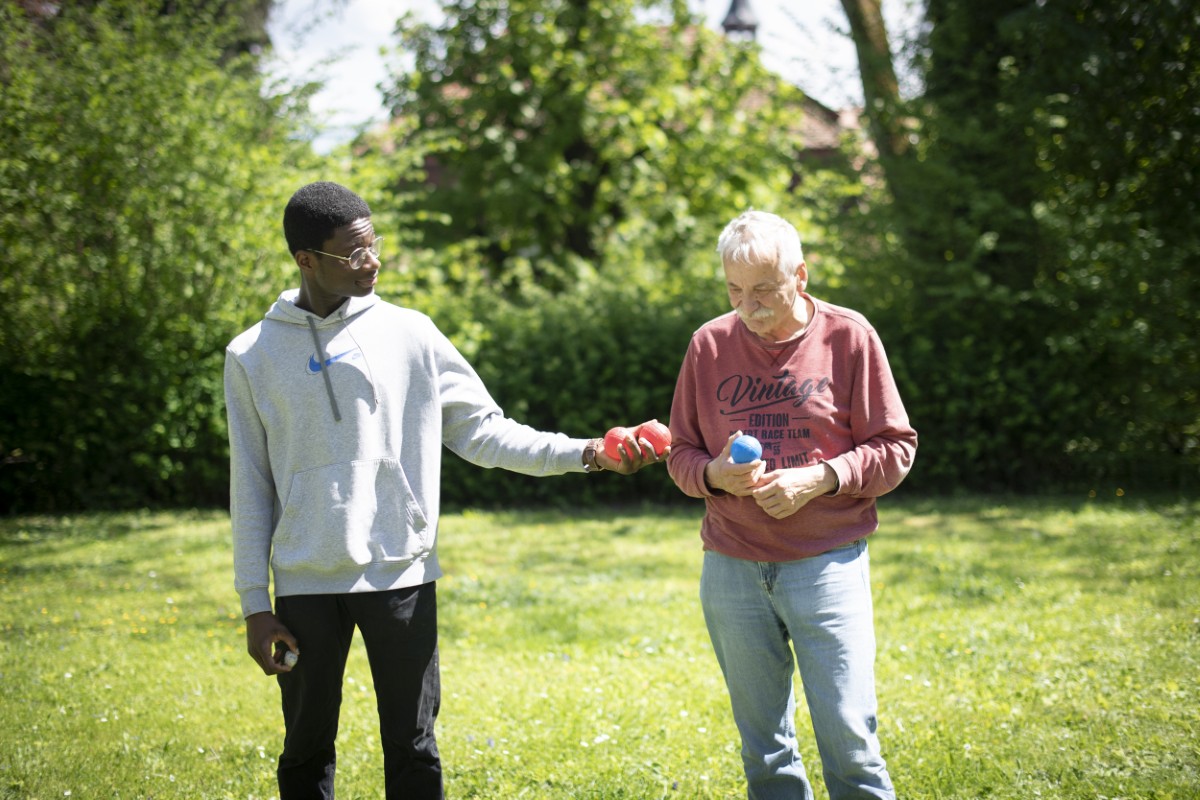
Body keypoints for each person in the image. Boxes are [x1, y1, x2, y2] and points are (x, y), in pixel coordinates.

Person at [224, 181, 664, 799]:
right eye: (352, 253)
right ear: (306, 260)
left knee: (412, 745)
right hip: (304, 586)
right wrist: (254, 603)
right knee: (305, 750)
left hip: (401, 574)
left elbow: (485, 433)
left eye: (373, 244)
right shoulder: (251, 355)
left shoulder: (411, 334)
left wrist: (587, 453)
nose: (370, 260)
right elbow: (251, 485)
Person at [665, 210, 917, 799]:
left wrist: (820, 478)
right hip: (732, 569)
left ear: (800, 276)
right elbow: (680, 453)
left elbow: (897, 448)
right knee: (764, 748)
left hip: (826, 563)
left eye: (763, 291)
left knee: (850, 741)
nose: (746, 307)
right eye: (733, 290)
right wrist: (715, 476)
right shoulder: (709, 344)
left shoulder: (848, 337)